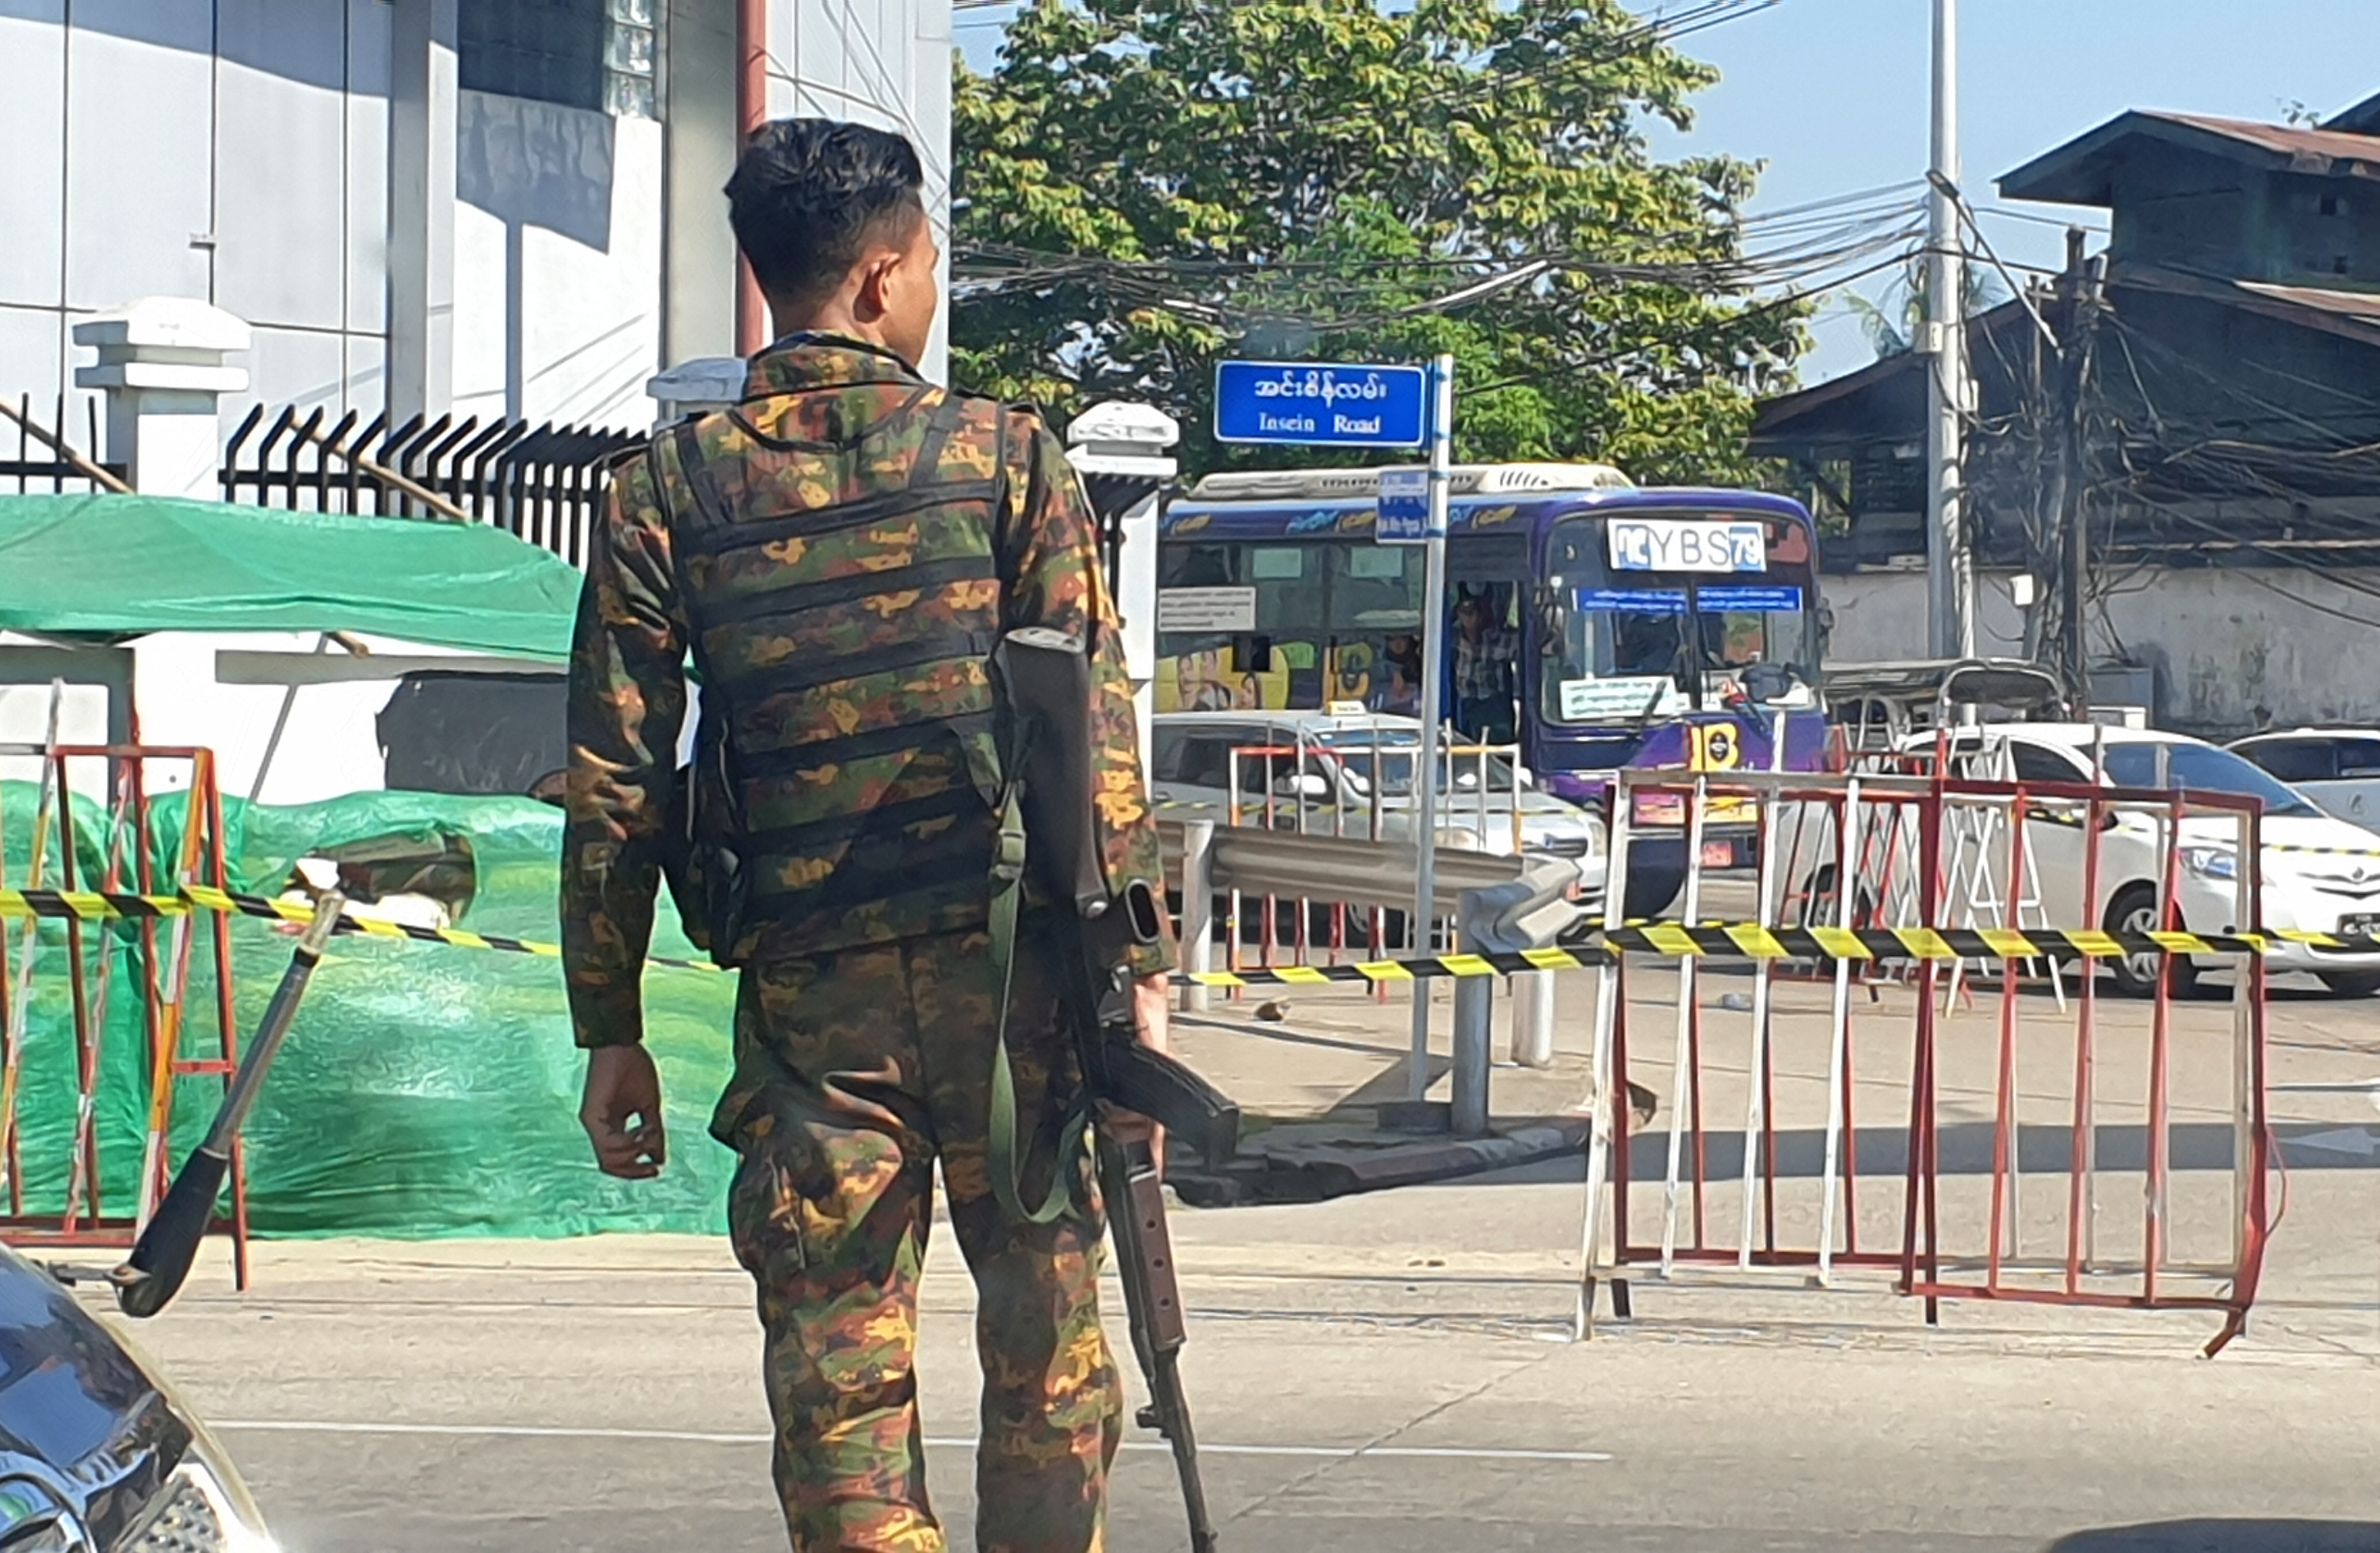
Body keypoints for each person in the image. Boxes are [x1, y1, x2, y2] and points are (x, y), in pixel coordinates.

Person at [559, 118, 1175, 1553]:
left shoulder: (667, 493)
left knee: (838, 1375)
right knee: (1052, 1358)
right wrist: (1136, 978)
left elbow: (616, 783)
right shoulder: (1006, 457)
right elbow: (1096, 742)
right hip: (1012, 988)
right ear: (886, 273)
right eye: (933, 269)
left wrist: (613, 1024)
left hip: (808, 1006)